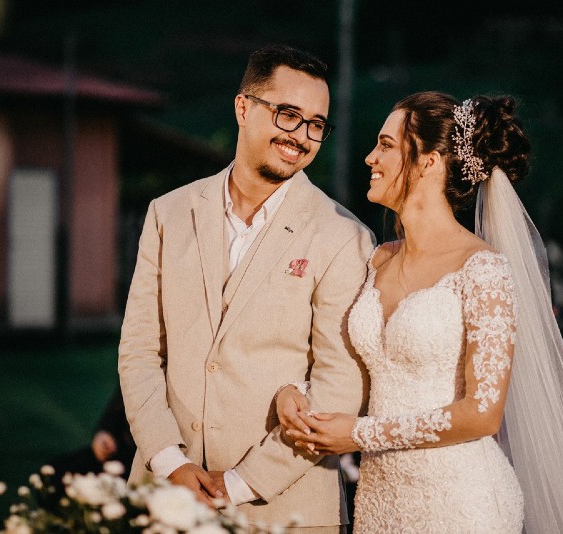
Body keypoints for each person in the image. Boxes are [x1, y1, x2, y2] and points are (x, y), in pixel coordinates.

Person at [277, 91, 563, 532]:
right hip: (380, 500)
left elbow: (482, 413)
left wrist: (358, 434)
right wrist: (295, 391)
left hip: (462, 501)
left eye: (386, 145)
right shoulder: (376, 260)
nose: (370, 157)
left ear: (429, 162)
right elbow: (350, 367)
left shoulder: (482, 270)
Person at [118, 44, 374, 532]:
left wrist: (235, 485)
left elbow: (339, 386)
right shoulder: (168, 213)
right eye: (287, 114)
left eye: (315, 124)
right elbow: (139, 351)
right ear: (243, 107)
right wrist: (170, 462)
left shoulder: (344, 236)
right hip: (163, 500)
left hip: (285, 509)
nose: (300, 136)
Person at [48, 385, 136, 488]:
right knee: (53, 473)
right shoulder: (136, 372)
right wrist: (104, 432)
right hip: (116, 450)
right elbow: (116, 407)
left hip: (139, 460)